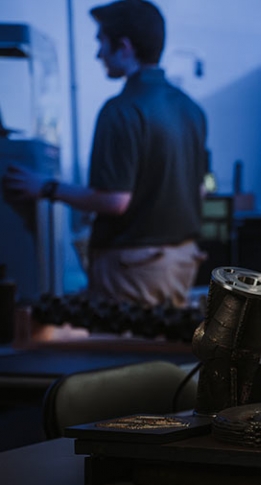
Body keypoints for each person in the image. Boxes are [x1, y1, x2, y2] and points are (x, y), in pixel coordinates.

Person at [1, 0, 207, 309]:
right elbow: (200, 190)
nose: (98, 54)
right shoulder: (191, 109)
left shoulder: (121, 110)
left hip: (135, 271)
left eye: (101, 42)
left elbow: (115, 200)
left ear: (124, 46)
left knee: (126, 353)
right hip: (182, 262)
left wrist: (45, 187)